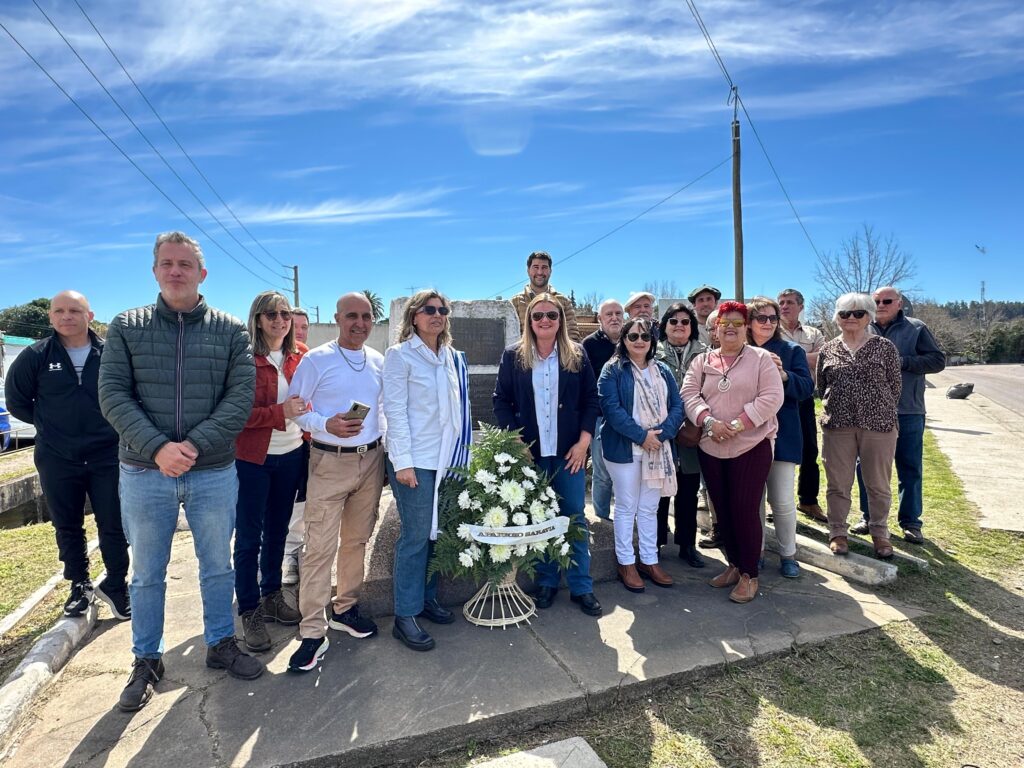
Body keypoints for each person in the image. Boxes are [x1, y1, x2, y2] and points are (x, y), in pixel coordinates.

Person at [99, 231, 260, 713]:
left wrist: (190, 445)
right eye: (167, 263)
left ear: (201, 273)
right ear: (154, 271)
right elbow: (113, 395)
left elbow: (238, 401)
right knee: (147, 573)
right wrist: (158, 449)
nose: (175, 271)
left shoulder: (231, 331)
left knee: (217, 564)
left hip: (211, 469)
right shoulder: (127, 327)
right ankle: (146, 659)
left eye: (185, 264)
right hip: (145, 472)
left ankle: (220, 643)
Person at [5, 290, 130, 620]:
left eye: (74, 310)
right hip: (57, 457)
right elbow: (17, 401)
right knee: (67, 524)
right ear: (50, 317)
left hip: (107, 455)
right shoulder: (35, 356)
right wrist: (52, 425)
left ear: (89, 316)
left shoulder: (111, 353)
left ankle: (117, 583)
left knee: (114, 522)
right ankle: (80, 584)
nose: (66, 316)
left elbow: (130, 394)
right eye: (59, 311)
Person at [285, 292, 386, 673]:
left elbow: (385, 411)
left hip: (371, 460)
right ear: (338, 318)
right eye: (351, 316)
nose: (359, 323)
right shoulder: (316, 360)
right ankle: (312, 631)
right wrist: (324, 423)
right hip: (329, 461)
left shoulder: (377, 361)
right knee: (319, 549)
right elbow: (295, 410)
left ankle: (345, 608)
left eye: (365, 317)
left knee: (356, 542)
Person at [493, 293, 602, 616]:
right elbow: (501, 401)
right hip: (532, 454)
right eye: (537, 315)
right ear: (529, 320)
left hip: (570, 453)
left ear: (560, 320)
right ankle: (546, 582)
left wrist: (584, 442)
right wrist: (516, 442)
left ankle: (581, 586)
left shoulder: (577, 355)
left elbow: (591, 402)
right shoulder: (514, 355)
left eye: (551, 316)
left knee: (574, 518)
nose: (544, 321)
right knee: (540, 520)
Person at [383, 290, 472, 652]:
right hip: (415, 460)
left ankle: (426, 599)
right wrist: (401, 462)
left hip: (447, 459)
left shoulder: (453, 358)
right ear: (414, 316)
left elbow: (460, 411)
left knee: (437, 534)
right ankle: (404, 616)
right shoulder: (399, 356)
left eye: (443, 310)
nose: (437, 315)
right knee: (417, 535)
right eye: (429, 310)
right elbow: (395, 411)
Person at [681, 301, 784, 604]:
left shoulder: (761, 359)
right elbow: (689, 394)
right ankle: (734, 565)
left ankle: (750, 574)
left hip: (751, 445)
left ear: (747, 327)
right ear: (714, 328)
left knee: (744, 509)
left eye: (738, 323)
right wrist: (709, 421)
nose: (730, 328)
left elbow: (772, 397)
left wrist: (738, 424)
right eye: (724, 323)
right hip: (712, 445)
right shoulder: (702, 361)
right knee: (722, 510)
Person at [232, 292, 308, 653]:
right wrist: (281, 412)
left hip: (291, 456)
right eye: (271, 314)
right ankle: (249, 610)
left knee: (278, 530)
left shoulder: (301, 356)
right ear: (258, 319)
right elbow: (237, 416)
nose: (280, 320)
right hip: (253, 459)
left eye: (285, 314)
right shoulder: (244, 360)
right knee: (249, 537)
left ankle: (273, 595)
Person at [852, 286, 945, 544]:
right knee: (866, 468)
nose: (881, 304)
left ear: (899, 303)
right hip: (869, 412)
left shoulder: (916, 328)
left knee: (910, 467)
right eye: (876, 301)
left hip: (907, 410)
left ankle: (911, 523)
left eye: (887, 300)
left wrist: (901, 361)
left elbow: (937, 361)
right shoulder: (862, 328)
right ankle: (867, 517)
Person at [598, 317, 683, 592]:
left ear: (652, 341)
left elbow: (677, 406)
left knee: (649, 508)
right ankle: (626, 562)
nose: (639, 341)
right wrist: (642, 437)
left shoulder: (663, 371)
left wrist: (663, 434)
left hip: (657, 449)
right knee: (626, 507)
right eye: (632, 336)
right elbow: (611, 410)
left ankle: (649, 559)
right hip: (625, 450)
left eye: (645, 337)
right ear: (623, 340)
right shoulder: (612, 370)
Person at [816, 293, 901, 559]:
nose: (851, 318)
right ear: (837, 318)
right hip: (838, 425)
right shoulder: (828, 349)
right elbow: (822, 386)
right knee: (838, 483)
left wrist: (876, 406)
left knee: (878, 483)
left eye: (858, 313)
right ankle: (838, 532)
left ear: (868, 316)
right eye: (844, 314)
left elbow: (895, 386)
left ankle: (880, 533)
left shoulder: (884, 347)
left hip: (878, 425)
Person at [746, 296, 814, 579]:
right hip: (747, 435)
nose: (767, 323)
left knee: (783, 500)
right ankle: (756, 551)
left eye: (772, 318)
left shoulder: (790, 350)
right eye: (760, 318)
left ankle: (788, 554)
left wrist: (784, 375)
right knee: (754, 499)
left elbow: (806, 388)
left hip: (783, 435)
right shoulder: (739, 350)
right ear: (749, 322)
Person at [654, 302, 707, 568]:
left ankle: (687, 544)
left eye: (685, 322)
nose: (679, 326)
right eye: (673, 321)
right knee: (660, 489)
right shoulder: (653, 352)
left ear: (692, 327)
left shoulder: (705, 354)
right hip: (661, 429)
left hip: (692, 430)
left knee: (688, 489)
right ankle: (656, 544)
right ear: (664, 326)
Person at [777, 288, 827, 524]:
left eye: (789, 302)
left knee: (810, 449)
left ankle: (808, 500)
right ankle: (776, 501)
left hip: (805, 397)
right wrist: (806, 356)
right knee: (778, 451)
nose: (784, 306)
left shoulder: (813, 332)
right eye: (781, 302)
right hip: (779, 398)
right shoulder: (771, 330)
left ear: (800, 306)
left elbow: (824, 358)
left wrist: (792, 355)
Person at [581, 299, 623, 520]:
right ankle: (602, 520)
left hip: (629, 419)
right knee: (602, 474)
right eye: (609, 314)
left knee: (628, 474)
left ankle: (629, 523)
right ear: (600, 319)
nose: (614, 318)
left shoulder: (632, 340)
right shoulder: (588, 345)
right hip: (600, 419)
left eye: (618, 313)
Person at [282, 305, 311, 586]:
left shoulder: (309, 359)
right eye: (295, 326)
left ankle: (291, 556)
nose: (299, 332)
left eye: (304, 327)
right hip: (275, 445)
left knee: (300, 506)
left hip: (305, 443)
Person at [509, 251, 581, 341]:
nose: (540, 272)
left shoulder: (563, 301)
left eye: (544, 267)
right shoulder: (515, 302)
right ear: (528, 270)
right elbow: (511, 337)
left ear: (550, 271)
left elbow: (572, 335)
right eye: (535, 267)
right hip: (525, 354)